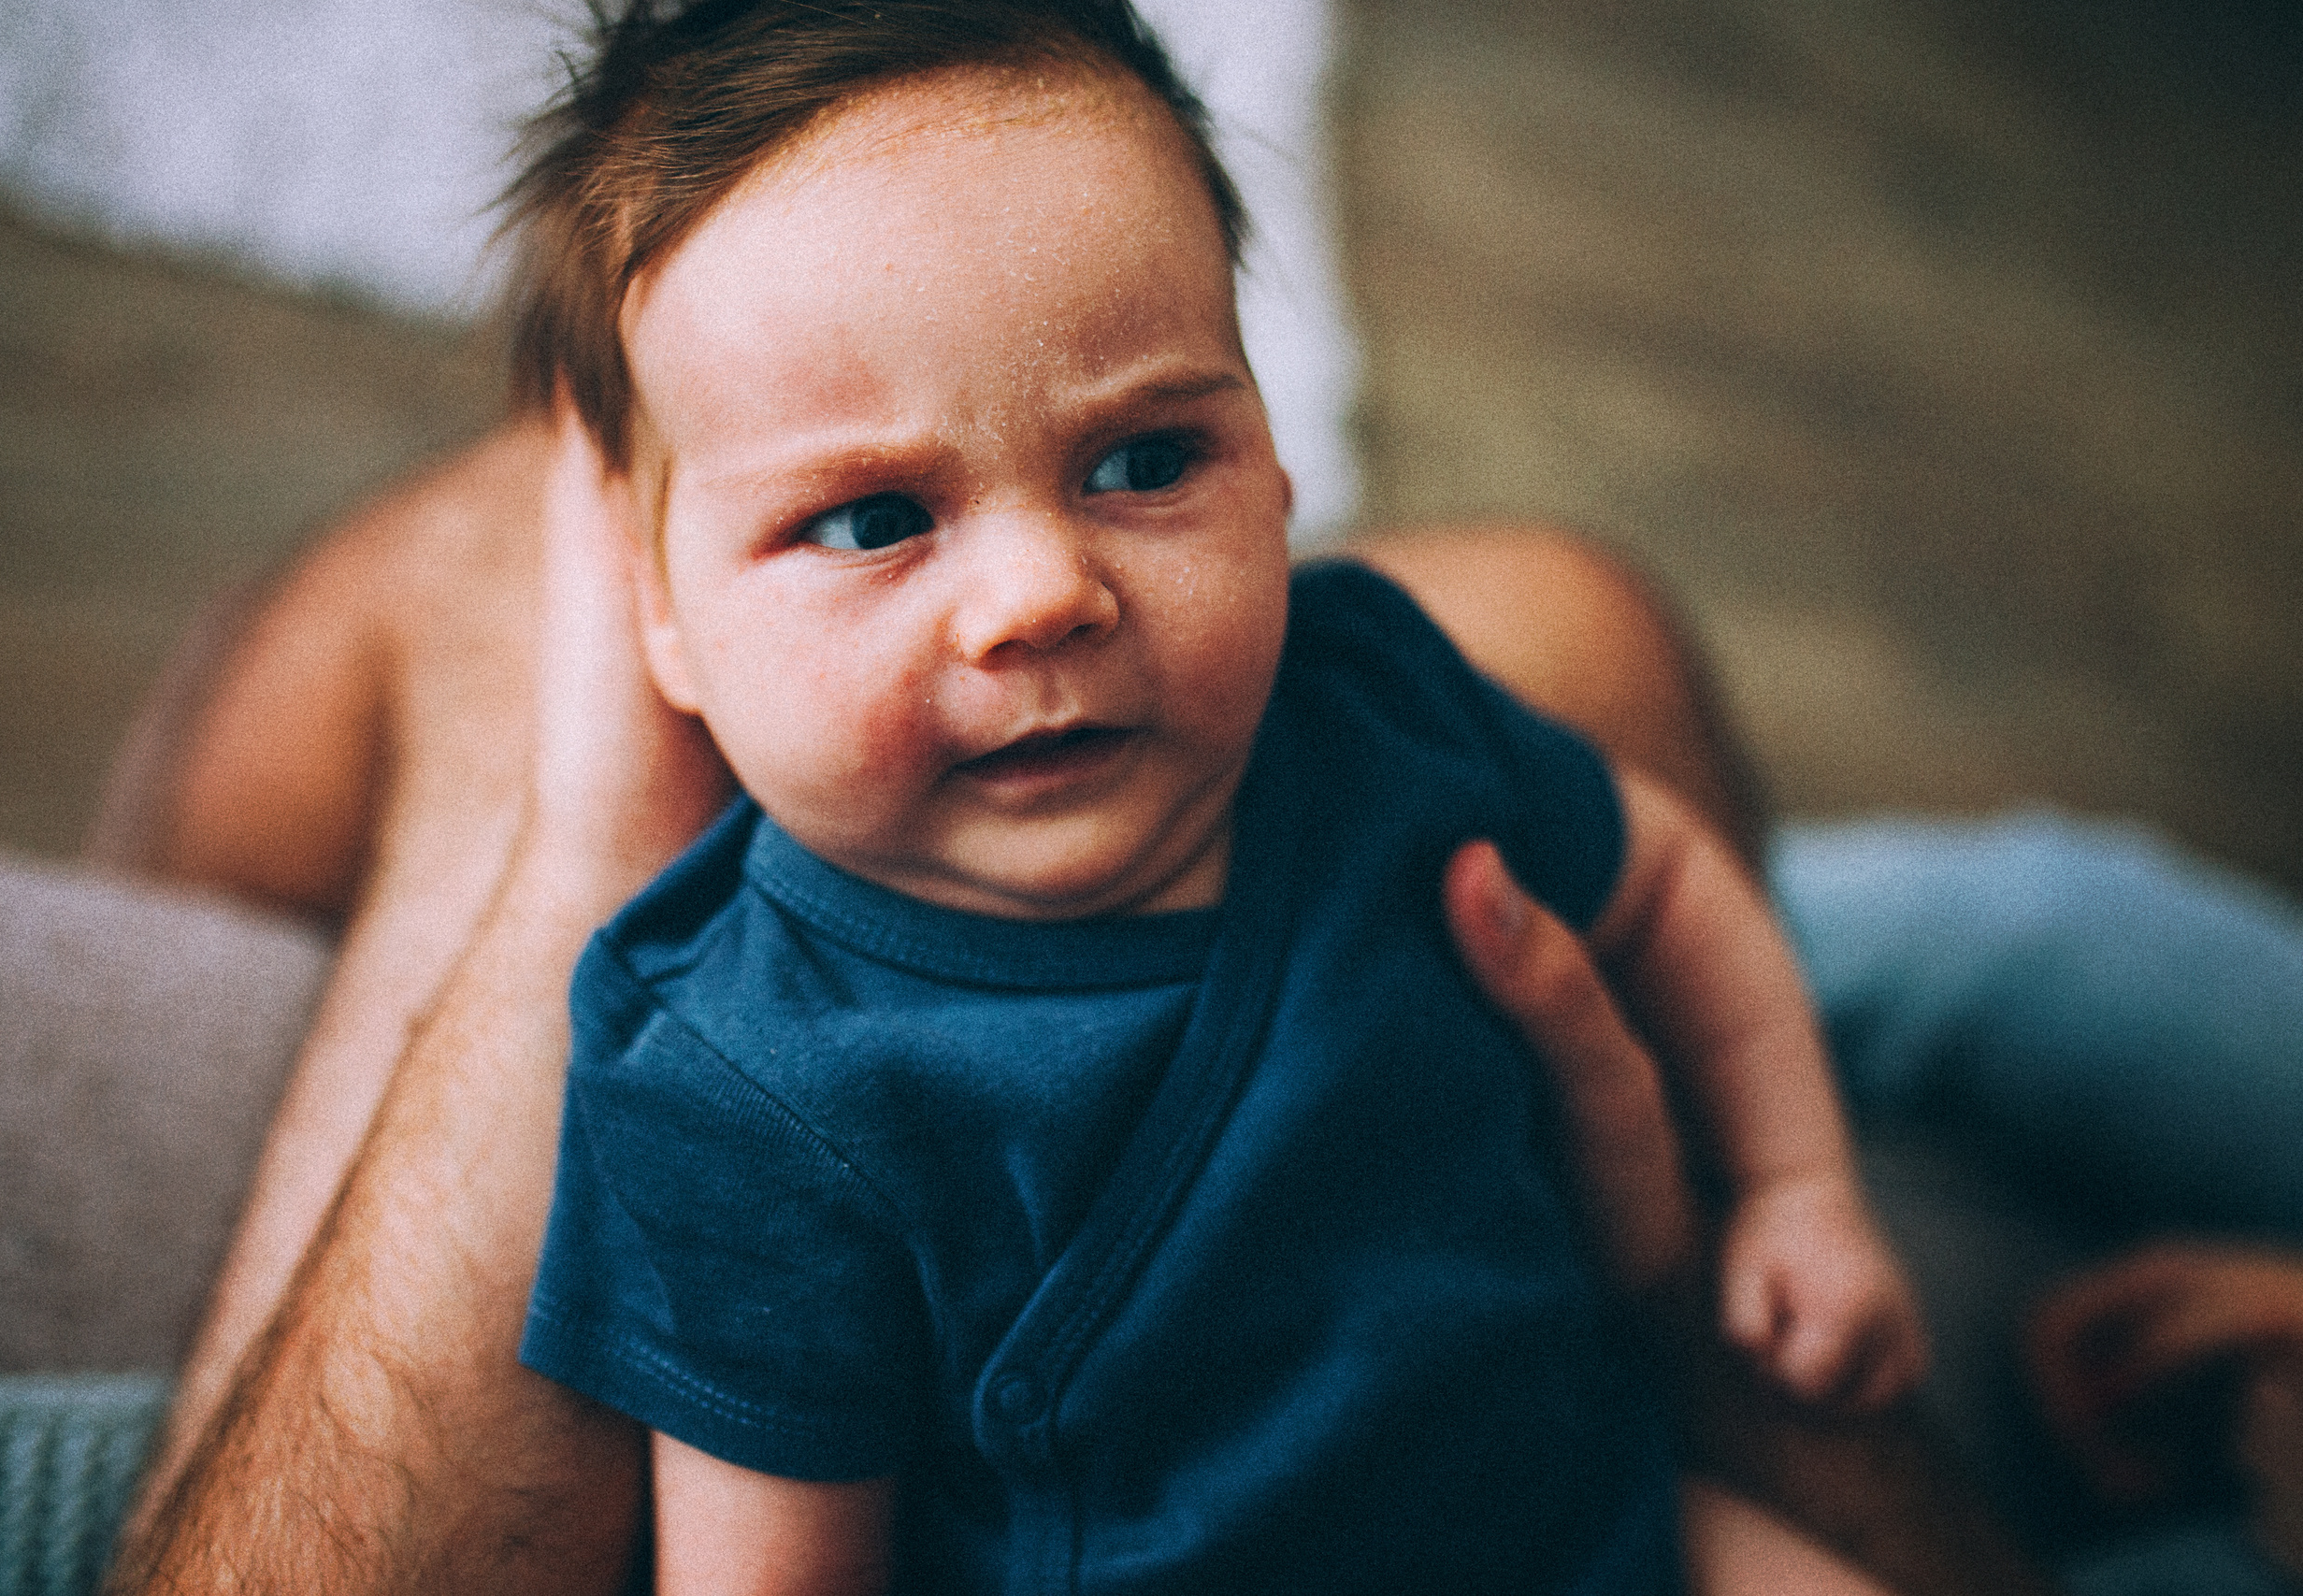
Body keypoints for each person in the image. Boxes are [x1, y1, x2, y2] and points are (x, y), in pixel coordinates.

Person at [482, 3, 1924, 1589]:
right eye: (874, 516)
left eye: (1147, 462)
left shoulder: (1374, 707)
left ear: (1280, 465)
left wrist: (1799, 1190)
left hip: (1600, 1522)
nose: (1042, 593)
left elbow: (1664, 888)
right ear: (661, 619)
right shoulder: (737, 1083)